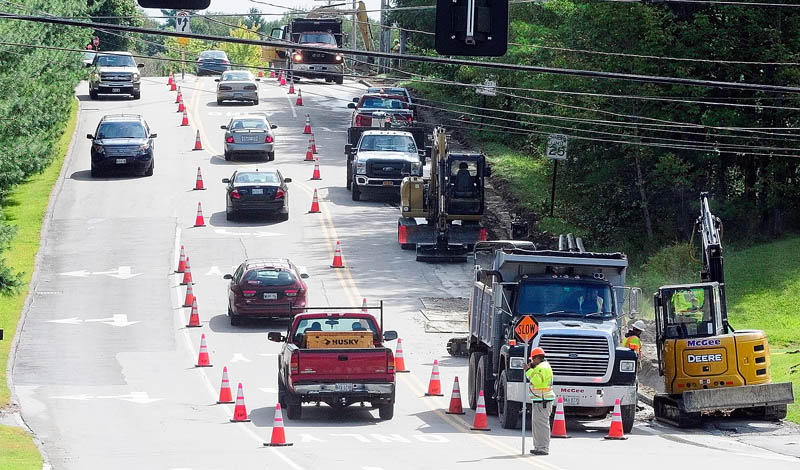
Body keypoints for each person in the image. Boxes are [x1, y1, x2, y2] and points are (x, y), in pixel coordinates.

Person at [524, 347, 556, 456]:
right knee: (537, 425)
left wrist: (528, 370)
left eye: (532, 360)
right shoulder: (542, 366)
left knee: (541, 425)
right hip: (540, 400)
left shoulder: (542, 367)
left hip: (543, 400)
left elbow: (536, 381)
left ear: (537, 358)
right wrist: (531, 369)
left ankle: (543, 448)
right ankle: (538, 447)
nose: (532, 362)